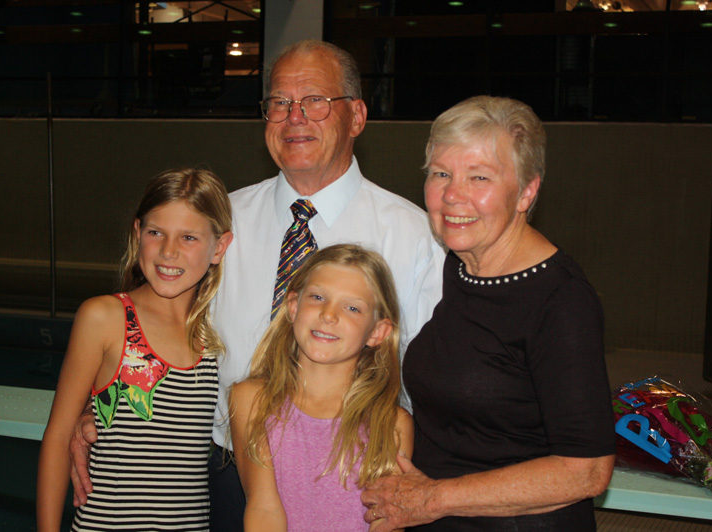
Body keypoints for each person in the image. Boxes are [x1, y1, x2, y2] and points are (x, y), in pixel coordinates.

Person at [68, 40, 446, 531]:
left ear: (356, 116)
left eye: (315, 101)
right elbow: (154, 323)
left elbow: (434, 381)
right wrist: (96, 403)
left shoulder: (415, 236)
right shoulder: (218, 224)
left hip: (352, 482)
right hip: (225, 474)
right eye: (279, 102)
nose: (294, 117)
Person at [360, 96, 616, 532]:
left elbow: (587, 470)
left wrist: (432, 498)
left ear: (527, 191)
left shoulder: (561, 300)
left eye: (479, 177)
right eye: (441, 173)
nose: (452, 194)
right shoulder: (461, 266)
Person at [37, 168, 233, 532]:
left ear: (219, 248)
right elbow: (59, 436)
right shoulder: (107, 318)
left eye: (188, 237)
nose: (169, 251)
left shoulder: (217, 332)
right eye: (156, 232)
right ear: (137, 232)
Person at [229, 244, 413, 532]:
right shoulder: (251, 399)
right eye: (317, 297)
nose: (329, 314)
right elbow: (264, 508)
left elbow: (386, 523)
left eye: (352, 307)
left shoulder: (391, 423)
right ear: (293, 307)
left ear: (378, 332)